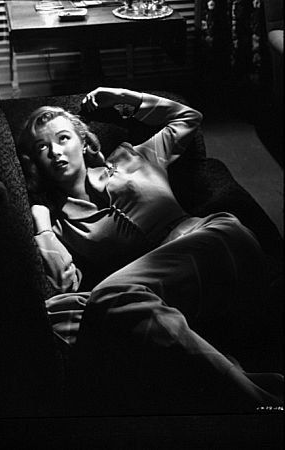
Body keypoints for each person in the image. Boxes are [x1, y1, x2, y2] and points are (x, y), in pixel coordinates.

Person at [18, 87, 283, 414]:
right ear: (36, 164)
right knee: (58, 314)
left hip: (215, 243)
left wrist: (124, 98)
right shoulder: (61, 223)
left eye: (62, 138)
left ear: (84, 143)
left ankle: (259, 403)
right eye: (42, 147)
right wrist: (42, 223)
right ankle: (244, 384)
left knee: (109, 299)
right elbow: (64, 284)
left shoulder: (135, 157)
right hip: (168, 295)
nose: (54, 151)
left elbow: (189, 118)